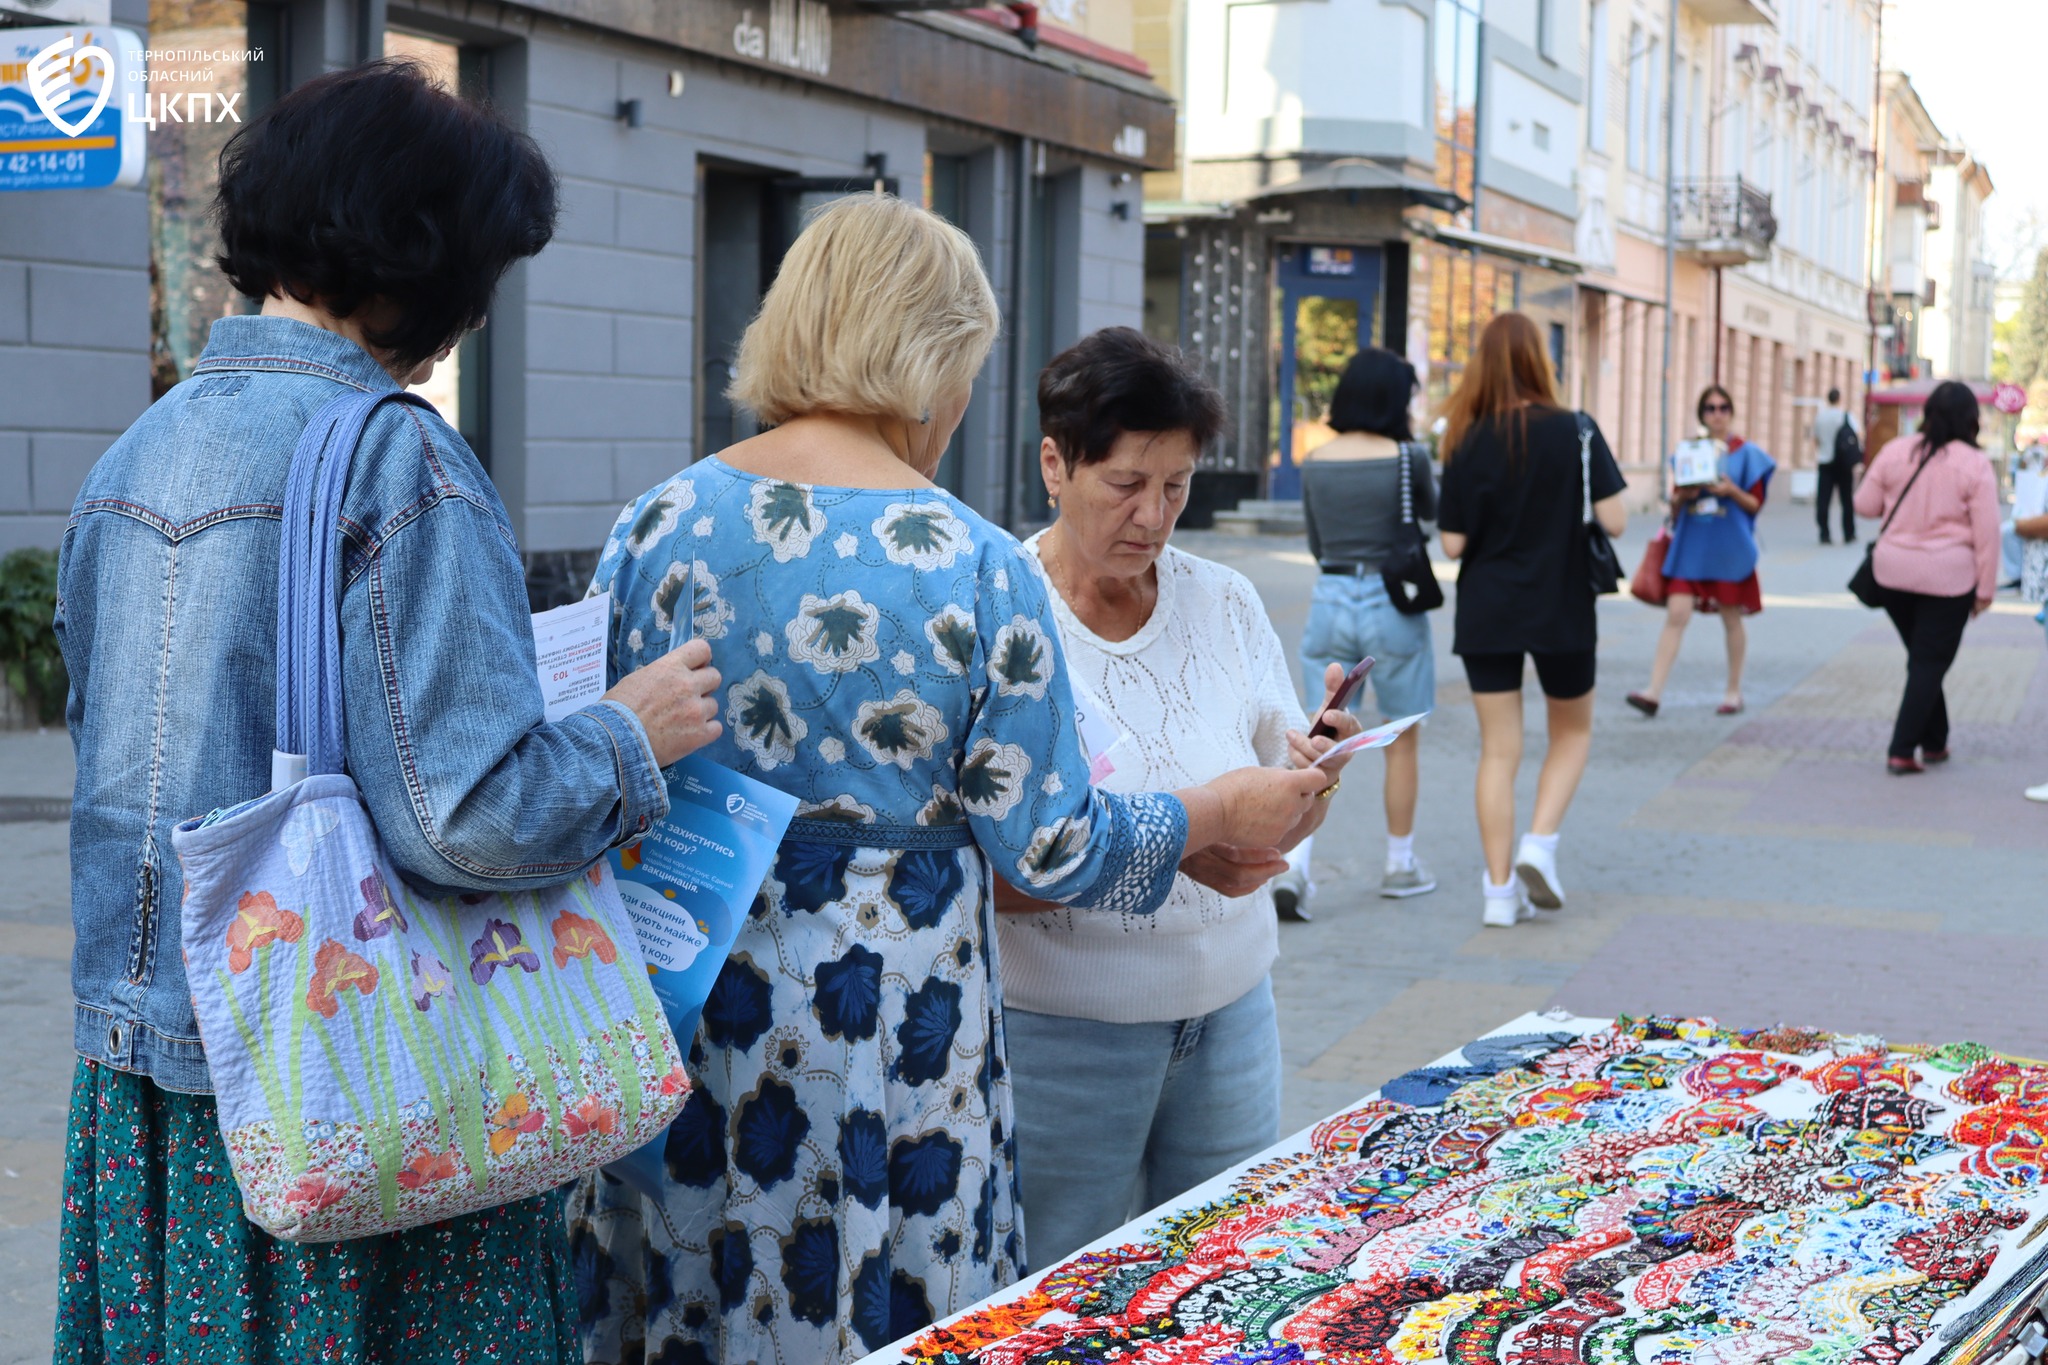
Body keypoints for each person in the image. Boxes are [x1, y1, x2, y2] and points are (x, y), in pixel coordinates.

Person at [568, 196, 1326, 1365]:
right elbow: (1052, 848)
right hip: (895, 1027)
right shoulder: (968, 559)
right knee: (898, 1299)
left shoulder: (656, 523)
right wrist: (1213, 812)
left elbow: (593, 748)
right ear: (928, 362)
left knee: (700, 1283)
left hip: (687, 992)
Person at [51, 62, 725, 1362]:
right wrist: (628, 731)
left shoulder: (140, 450)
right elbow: (468, 821)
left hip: (145, 1073)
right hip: (346, 1082)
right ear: (425, 257)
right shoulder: (395, 456)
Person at [994, 327, 1361, 1266]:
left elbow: (1282, 793)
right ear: (1054, 463)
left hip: (1233, 1015)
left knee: (1227, 1274)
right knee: (1056, 1295)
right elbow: (988, 860)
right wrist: (1191, 834)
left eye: (1177, 487)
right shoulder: (1003, 607)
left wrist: (1315, 774)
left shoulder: (1225, 599)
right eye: (1126, 484)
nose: (1154, 516)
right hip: (1061, 1040)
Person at [1437, 313, 1627, 928]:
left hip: (1489, 605)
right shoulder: (1576, 429)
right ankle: (1539, 845)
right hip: (1562, 602)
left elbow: (1453, 544)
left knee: (1499, 750)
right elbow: (1617, 520)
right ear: (1539, 361)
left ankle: (1497, 895)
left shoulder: (1466, 436)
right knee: (1571, 732)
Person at [1275, 346, 1439, 918]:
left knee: (1316, 738)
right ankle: (1399, 863)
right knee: (1403, 737)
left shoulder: (1316, 461)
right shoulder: (1406, 457)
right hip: (1391, 605)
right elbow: (1429, 519)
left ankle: (1294, 868)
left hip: (1331, 596)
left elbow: (1318, 545)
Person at [1853, 380, 2002, 774]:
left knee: (1923, 659)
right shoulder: (1974, 464)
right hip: (1948, 581)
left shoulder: (1895, 451)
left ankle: (1935, 742)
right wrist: (1985, 590)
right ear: (1971, 420)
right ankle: (1902, 750)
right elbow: (1987, 535)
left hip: (1893, 575)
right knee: (1928, 662)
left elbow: (1864, 506)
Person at [1626, 385, 1775, 717]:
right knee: (1676, 613)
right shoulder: (1689, 452)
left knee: (1730, 616)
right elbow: (1675, 506)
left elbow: (1755, 504)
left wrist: (1730, 490)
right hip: (1691, 545)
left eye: (1723, 407)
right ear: (1701, 414)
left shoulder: (1746, 453)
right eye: (1710, 408)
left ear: (1731, 412)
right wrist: (1684, 496)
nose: (1717, 414)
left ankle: (1733, 691)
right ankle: (1653, 692)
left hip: (1728, 548)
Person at [1813, 386, 1861, 545]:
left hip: (1825, 462)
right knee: (1846, 500)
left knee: (1823, 500)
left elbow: (1816, 439)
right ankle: (1849, 533)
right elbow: (1858, 435)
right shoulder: (1846, 416)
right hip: (1843, 464)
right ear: (1839, 399)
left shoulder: (1820, 417)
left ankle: (1824, 534)